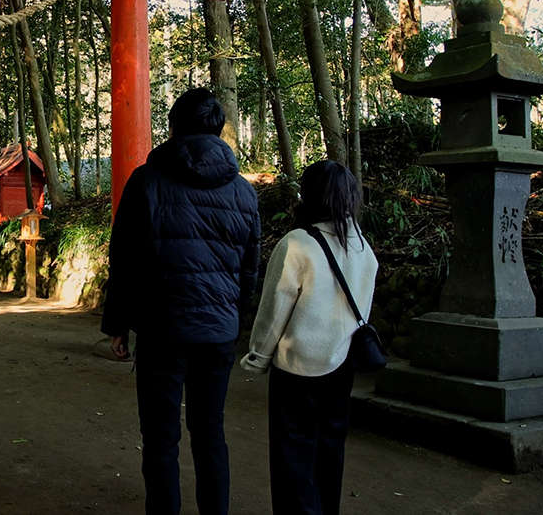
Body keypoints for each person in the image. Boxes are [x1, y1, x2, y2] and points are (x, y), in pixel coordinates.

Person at [101, 88, 261, 515]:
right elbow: (249, 269)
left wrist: (119, 322)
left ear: (173, 127)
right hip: (218, 334)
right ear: (217, 128)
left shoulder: (147, 181)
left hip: (162, 329)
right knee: (211, 433)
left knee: (160, 437)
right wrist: (234, 318)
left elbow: (125, 259)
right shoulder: (244, 193)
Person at [240, 160, 378, 515]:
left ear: (310, 195)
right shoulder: (363, 246)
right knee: (331, 451)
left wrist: (259, 356)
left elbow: (274, 312)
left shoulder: (298, 244)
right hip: (342, 361)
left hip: (298, 366)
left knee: (293, 456)